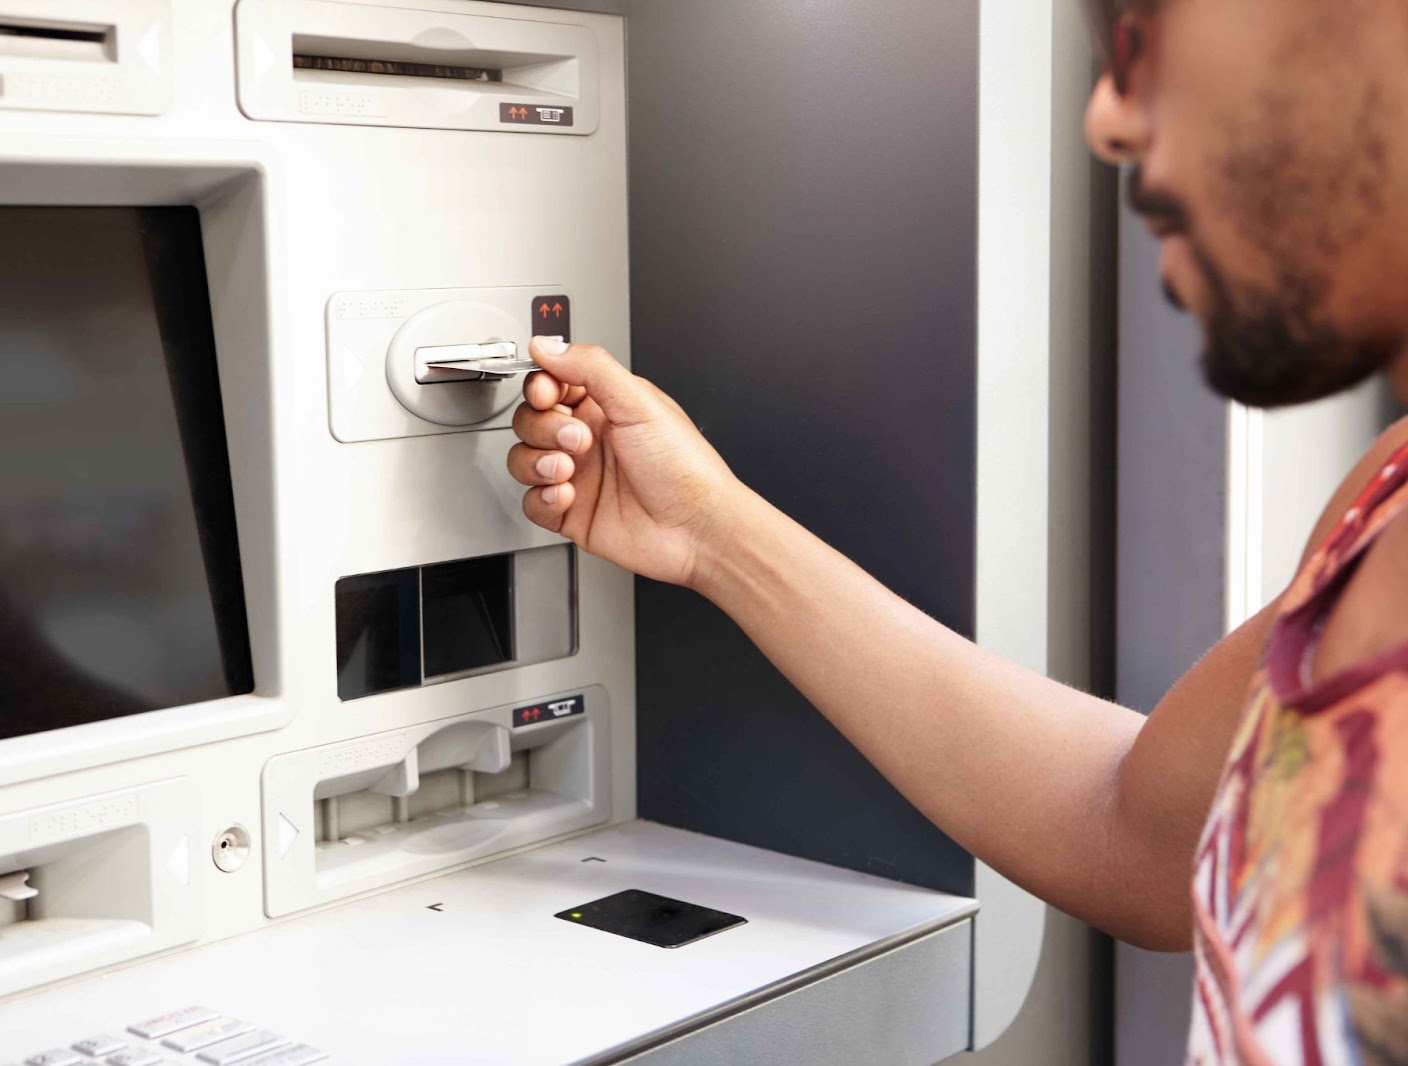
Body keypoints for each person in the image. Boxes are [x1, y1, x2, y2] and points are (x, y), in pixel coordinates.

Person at [504, 1, 1408, 1063]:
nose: (1107, 119)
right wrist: (712, 532)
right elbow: (1141, 830)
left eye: (1146, 29)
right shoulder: (1379, 507)